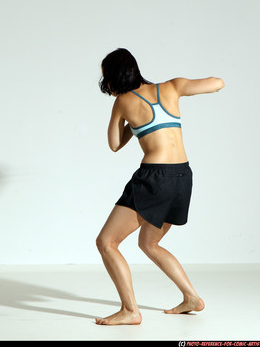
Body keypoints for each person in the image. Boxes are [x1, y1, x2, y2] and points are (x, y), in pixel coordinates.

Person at [95, 48, 225, 325]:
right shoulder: (172, 87)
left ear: (113, 75)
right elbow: (217, 83)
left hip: (156, 177)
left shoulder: (123, 101)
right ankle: (192, 298)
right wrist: (186, 91)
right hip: (183, 175)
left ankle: (130, 310)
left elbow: (115, 144)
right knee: (149, 243)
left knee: (107, 242)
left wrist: (132, 122)